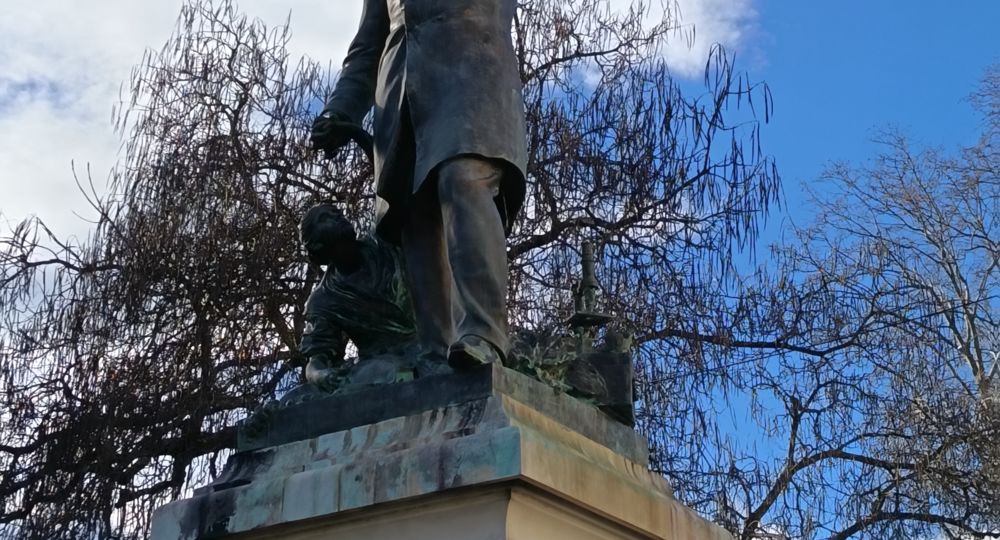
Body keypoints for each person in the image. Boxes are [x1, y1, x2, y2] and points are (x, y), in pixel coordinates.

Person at [310, 0, 528, 370]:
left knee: (462, 179)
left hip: (471, 74)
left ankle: (484, 334)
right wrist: (340, 109)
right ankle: (433, 354)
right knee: (414, 213)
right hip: (400, 96)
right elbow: (368, 45)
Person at [298, 203, 416, 388]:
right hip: (385, 361)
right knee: (397, 373)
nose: (337, 215)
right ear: (316, 246)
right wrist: (321, 375)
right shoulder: (323, 301)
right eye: (325, 218)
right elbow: (317, 360)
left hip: (435, 336)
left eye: (336, 212)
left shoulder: (384, 241)